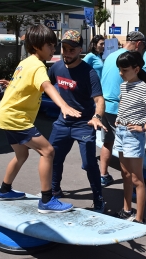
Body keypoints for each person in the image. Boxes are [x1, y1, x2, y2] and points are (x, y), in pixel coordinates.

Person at [0, 25, 81, 213]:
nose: (54, 50)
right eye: (50, 46)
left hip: (7, 115)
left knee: (22, 155)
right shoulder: (39, 66)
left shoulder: (25, 63)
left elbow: (20, 86)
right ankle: (47, 200)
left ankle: (4, 190)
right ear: (37, 46)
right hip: (17, 118)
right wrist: (64, 105)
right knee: (48, 151)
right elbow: (48, 86)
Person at [47, 30, 107, 213]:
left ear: (80, 50)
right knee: (53, 158)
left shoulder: (89, 73)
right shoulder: (56, 68)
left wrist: (97, 117)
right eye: (64, 49)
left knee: (89, 164)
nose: (66, 53)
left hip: (84, 124)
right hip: (62, 122)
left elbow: (99, 100)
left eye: (71, 50)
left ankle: (98, 200)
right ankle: (54, 190)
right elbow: (44, 85)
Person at [114, 51, 146, 223]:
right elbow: (124, 104)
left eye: (124, 70)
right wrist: (118, 118)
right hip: (121, 132)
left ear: (136, 69)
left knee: (137, 178)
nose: (121, 73)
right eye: (119, 70)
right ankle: (127, 209)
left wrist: (144, 127)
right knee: (125, 174)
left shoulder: (144, 88)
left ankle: (139, 218)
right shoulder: (124, 85)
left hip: (133, 136)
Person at [99, 31, 146, 187]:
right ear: (138, 44)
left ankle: (103, 175)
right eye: (143, 47)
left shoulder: (111, 55)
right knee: (128, 149)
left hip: (103, 105)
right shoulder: (130, 59)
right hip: (118, 109)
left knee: (108, 141)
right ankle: (134, 186)